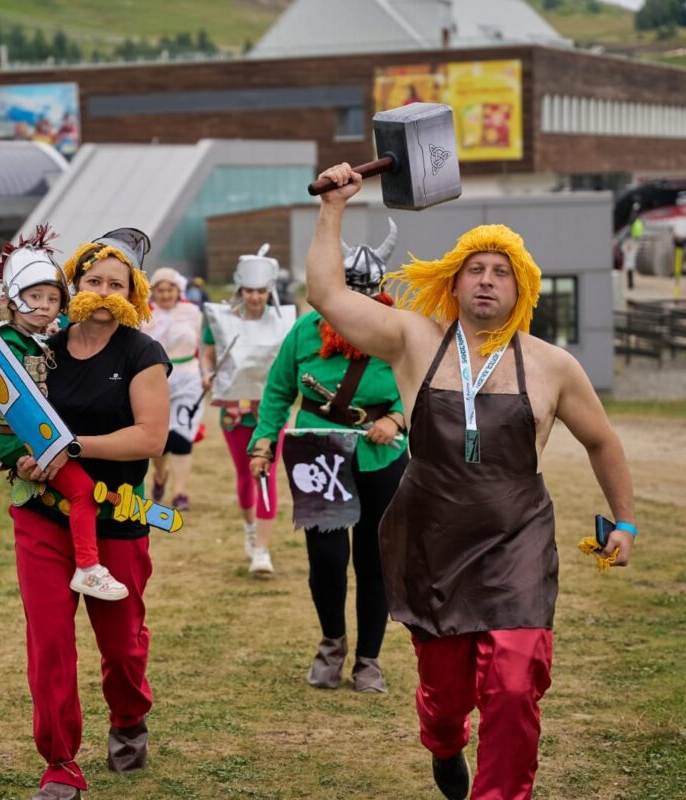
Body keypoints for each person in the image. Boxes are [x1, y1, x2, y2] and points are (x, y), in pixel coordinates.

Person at [306, 163, 636, 800]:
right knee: (445, 692)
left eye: (501, 271)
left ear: (523, 287)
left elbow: (601, 441)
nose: (487, 281)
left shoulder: (552, 365)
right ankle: (442, 743)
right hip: (430, 537)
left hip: (518, 540)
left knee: (515, 687)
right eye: (475, 270)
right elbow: (326, 294)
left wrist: (623, 520)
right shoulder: (411, 338)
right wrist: (334, 208)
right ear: (453, 282)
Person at [9, 227, 170, 800]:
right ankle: (59, 763)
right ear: (73, 285)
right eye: (93, 281)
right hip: (44, 517)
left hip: (117, 520)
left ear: (133, 292)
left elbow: (151, 437)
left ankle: (128, 719)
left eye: (116, 284)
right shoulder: (42, 349)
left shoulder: (142, 351)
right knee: (49, 643)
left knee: (122, 645)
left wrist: (71, 446)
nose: (103, 292)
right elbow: (14, 420)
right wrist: (29, 458)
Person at [249, 224, 409, 694]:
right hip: (317, 451)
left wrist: (397, 420)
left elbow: (422, 388)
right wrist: (262, 443)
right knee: (326, 558)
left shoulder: (399, 331)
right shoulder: (304, 330)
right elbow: (278, 392)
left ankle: (369, 660)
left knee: (375, 559)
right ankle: (331, 645)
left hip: (382, 454)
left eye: (365, 292)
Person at [0, 225, 129, 601]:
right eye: (35, 296)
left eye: (52, 298)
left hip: (36, 441)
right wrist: (30, 452)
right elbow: (16, 403)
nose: (46, 306)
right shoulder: (6, 342)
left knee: (80, 492)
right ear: (13, 299)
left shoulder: (38, 338)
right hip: (22, 442)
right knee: (83, 491)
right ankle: (88, 567)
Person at [201, 245, 296, 575]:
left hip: (270, 411)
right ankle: (250, 527)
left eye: (261, 291)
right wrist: (205, 372)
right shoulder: (220, 320)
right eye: (250, 290)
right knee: (244, 475)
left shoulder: (284, 323)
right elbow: (209, 354)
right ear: (240, 290)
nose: (255, 297)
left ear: (269, 291)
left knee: (265, 473)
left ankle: (261, 551)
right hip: (234, 411)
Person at [141, 267, 203, 511]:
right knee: (160, 439)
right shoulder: (145, 316)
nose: (166, 294)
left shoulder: (192, 313)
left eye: (170, 289)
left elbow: (200, 343)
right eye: (161, 289)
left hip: (187, 376)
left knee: (182, 436)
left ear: (178, 290)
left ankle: (180, 492)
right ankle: (160, 475)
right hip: (156, 378)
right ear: (154, 292)